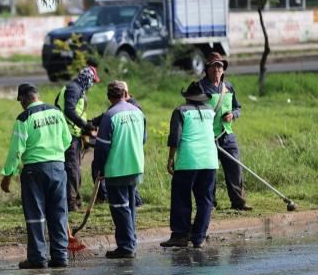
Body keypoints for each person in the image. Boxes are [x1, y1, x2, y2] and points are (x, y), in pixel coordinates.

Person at [1, 83, 72, 269]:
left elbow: (16, 150)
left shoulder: (24, 118)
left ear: (24, 99)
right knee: (58, 212)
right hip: (58, 167)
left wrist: (8, 174)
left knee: (36, 215)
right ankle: (60, 256)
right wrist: (54, 154)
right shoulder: (56, 112)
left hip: (34, 170)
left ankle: (38, 258)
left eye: (20, 101)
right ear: (37, 95)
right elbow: (67, 139)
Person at [160, 81, 218, 248]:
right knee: (205, 199)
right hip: (210, 160)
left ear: (187, 97)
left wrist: (171, 158)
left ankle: (180, 235)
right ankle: (199, 237)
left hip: (188, 160)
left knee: (181, 197)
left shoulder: (180, 111)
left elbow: (175, 137)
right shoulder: (210, 111)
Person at [92, 81, 146, 259]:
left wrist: (98, 169)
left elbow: (102, 147)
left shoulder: (110, 115)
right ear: (125, 94)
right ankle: (131, 241)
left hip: (117, 168)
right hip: (136, 165)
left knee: (120, 207)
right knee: (130, 205)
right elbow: (143, 138)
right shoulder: (138, 112)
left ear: (109, 97)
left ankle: (126, 246)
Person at [199, 52, 252, 211]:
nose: (217, 69)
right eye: (214, 65)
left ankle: (239, 202)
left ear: (223, 69)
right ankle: (210, 204)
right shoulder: (199, 87)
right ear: (207, 69)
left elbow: (238, 107)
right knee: (209, 172)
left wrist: (233, 115)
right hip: (207, 136)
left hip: (227, 135)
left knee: (235, 167)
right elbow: (191, 110)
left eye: (219, 66)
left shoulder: (228, 87)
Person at [54, 58, 100, 212]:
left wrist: (86, 126)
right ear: (87, 79)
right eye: (93, 81)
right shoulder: (74, 89)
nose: (93, 84)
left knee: (73, 168)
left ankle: (74, 201)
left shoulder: (74, 87)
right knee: (73, 169)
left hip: (72, 132)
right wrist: (84, 126)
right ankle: (72, 204)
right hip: (69, 135)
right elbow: (68, 110)